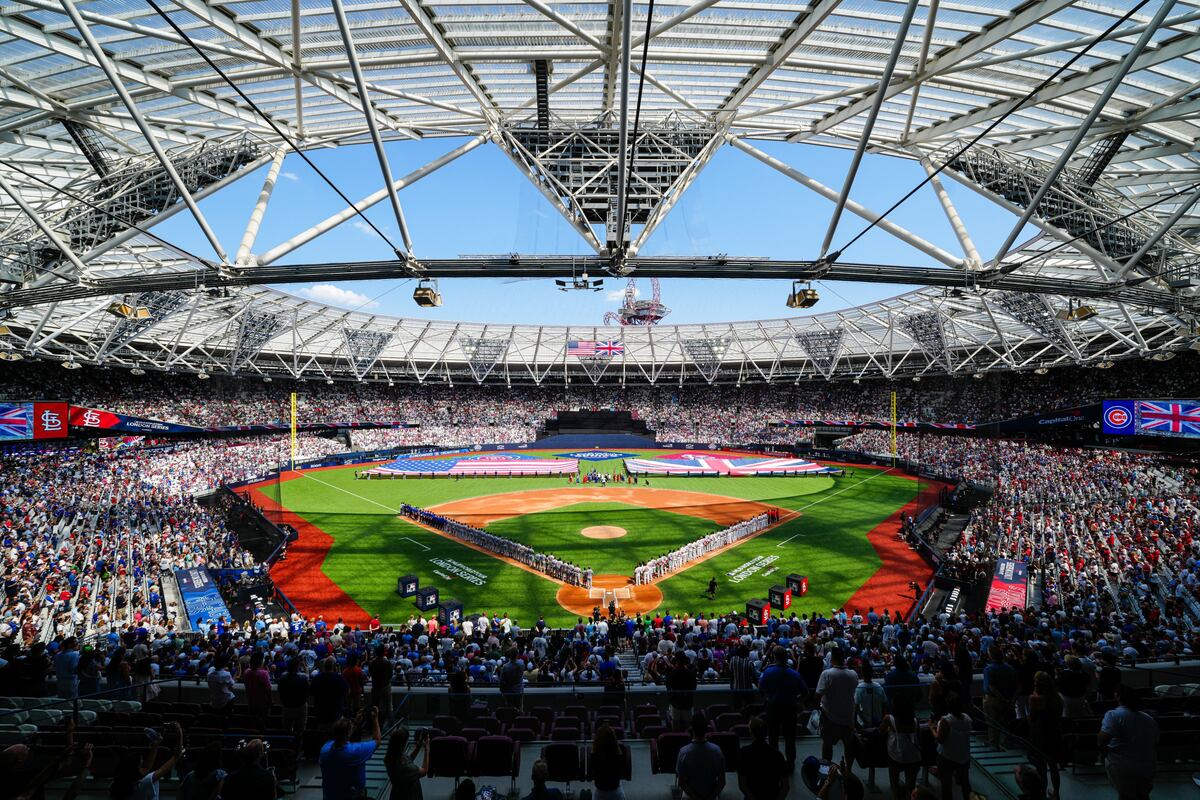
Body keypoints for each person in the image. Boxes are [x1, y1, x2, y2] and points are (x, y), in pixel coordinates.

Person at [1098, 685, 1159, 800]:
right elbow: (1155, 742)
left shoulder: (1113, 715)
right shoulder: (1149, 719)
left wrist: (1104, 753)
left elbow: (1102, 740)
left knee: (1125, 795)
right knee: (1143, 795)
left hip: (1122, 764)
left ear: (1118, 697)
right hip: (1147, 763)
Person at [758, 645, 806, 771]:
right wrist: (796, 700)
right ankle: (790, 765)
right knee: (790, 739)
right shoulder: (794, 674)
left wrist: (767, 697)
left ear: (774, 657)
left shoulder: (769, 672)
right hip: (790, 709)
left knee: (773, 738)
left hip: (773, 708)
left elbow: (760, 688)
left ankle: (775, 764)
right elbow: (805, 693)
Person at [109, 722, 183, 800]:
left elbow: (146, 767)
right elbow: (176, 757)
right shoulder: (145, 782)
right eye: (141, 764)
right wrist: (179, 732)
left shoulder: (114, 786)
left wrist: (155, 745)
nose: (143, 765)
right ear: (135, 771)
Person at [320, 709, 382, 800]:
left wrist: (355, 723)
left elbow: (341, 736)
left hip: (329, 796)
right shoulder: (356, 751)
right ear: (348, 734)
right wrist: (375, 718)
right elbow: (377, 740)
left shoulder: (325, 749)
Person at [816, 647, 858, 768]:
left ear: (832, 659)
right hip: (848, 717)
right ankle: (848, 770)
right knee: (848, 746)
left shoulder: (827, 674)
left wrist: (818, 709)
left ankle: (826, 771)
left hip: (830, 717)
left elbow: (817, 695)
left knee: (827, 745)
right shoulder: (853, 674)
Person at [1026, 670, 1062, 799]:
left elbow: (1031, 718)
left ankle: (1042, 793)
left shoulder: (1035, 699)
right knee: (1053, 767)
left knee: (1041, 768)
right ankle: (1056, 793)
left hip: (1040, 735)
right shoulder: (1057, 697)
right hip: (1054, 733)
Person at [737, 715, 789, 800]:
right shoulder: (778, 754)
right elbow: (786, 787)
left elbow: (742, 784)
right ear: (766, 733)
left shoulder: (744, 752)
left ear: (751, 732)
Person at [878, 699, 921, 800]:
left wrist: (889, 729)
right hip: (914, 758)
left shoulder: (889, 719)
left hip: (896, 757)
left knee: (894, 783)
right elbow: (919, 740)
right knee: (910, 786)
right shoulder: (915, 721)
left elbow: (880, 731)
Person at [677, 712, 725, 800]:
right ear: (706, 729)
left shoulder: (683, 752)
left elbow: (681, 782)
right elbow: (722, 782)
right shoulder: (717, 751)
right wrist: (711, 797)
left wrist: (695, 797)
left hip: (691, 796)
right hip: (711, 796)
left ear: (692, 729)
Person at [934, 692, 972, 800]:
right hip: (963, 757)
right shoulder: (968, 718)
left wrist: (932, 728)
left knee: (946, 786)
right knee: (966, 784)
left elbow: (940, 739)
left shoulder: (946, 720)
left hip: (947, 757)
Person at [982, 646, 1017, 749]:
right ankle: (1008, 743)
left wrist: (1001, 698)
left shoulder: (989, 669)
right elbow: (1018, 685)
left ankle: (994, 743)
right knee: (1007, 722)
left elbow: (992, 687)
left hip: (993, 699)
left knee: (992, 722)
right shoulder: (1010, 668)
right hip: (1009, 699)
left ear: (991, 656)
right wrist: (1012, 700)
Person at [384, 727, 431, 800]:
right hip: (409, 795)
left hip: (396, 794)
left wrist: (418, 747)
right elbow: (424, 770)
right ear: (403, 744)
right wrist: (427, 749)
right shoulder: (406, 767)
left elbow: (409, 758)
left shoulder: (391, 757)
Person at [590, 723, 627, 800]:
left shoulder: (594, 754)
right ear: (613, 738)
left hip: (600, 792)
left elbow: (593, 772)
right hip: (616, 791)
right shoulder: (619, 753)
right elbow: (622, 771)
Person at [312, 657, 350, 728]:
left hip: (321, 713)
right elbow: (347, 692)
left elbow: (312, 693)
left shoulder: (316, 678)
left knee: (322, 736)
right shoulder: (339, 678)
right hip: (335, 713)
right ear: (334, 667)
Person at [665, 651, 698, 731]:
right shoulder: (690, 673)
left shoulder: (672, 673)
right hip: (687, 702)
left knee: (675, 725)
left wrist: (671, 698)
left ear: (676, 660)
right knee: (688, 726)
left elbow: (668, 687)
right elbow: (694, 687)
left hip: (675, 702)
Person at [278, 657, 310, 736]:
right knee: (300, 730)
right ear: (298, 667)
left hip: (287, 706)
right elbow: (307, 692)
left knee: (286, 729)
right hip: (300, 707)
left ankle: (286, 745)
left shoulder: (283, 677)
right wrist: (305, 667)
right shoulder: (303, 678)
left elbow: (280, 691)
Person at [854, 660, 885, 729]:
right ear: (872, 673)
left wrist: (864, 721)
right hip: (878, 721)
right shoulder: (879, 687)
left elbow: (856, 707)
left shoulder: (859, 688)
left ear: (862, 673)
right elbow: (884, 704)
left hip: (863, 723)